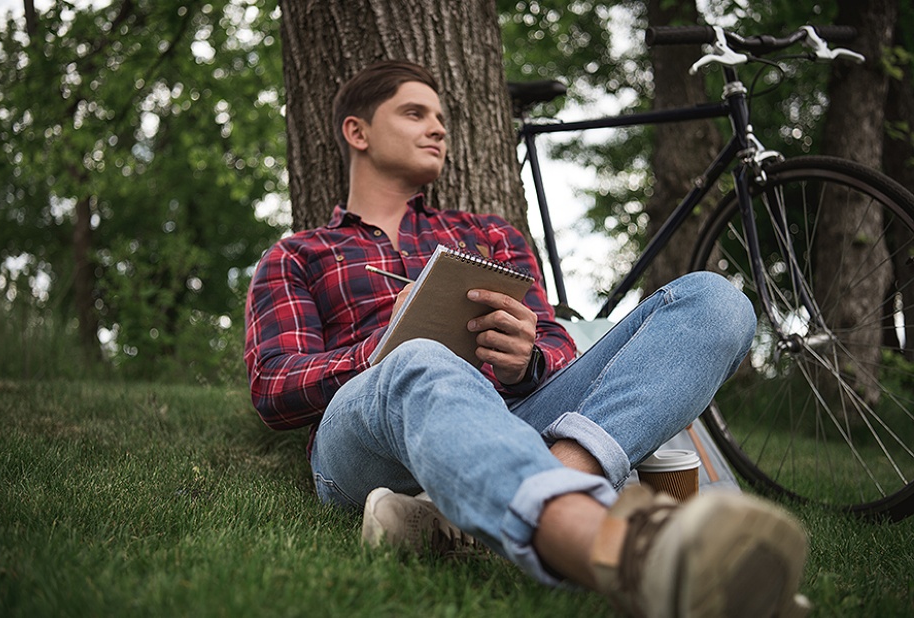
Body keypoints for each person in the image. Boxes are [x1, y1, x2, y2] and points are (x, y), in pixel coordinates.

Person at [244, 60, 810, 617]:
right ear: (357, 131)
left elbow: (559, 344)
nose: (438, 128)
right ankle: (627, 553)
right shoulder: (297, 254)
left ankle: (473, 505)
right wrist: (381, 349)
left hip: (514, 415)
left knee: (716, 301)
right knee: (421, 357)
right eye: (415, 113)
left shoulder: (489, 234)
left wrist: (527, 362)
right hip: (366, 437)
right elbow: (273, 387)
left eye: (441, 117)